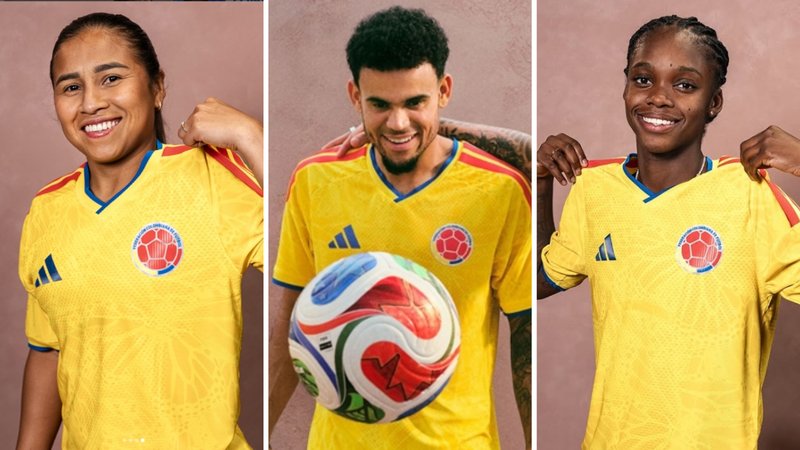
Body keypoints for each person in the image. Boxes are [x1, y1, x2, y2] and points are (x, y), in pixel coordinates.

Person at [270, 6, 531, 449]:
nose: (397, 123)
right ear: (355, 96)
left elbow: (526, 343)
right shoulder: (316, 179)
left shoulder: (499, 189)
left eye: (415, 102)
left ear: (443, 91)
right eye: (379, 104)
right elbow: (288, 333)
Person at [538, 15, 800, 448]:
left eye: (684, 85)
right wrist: (543, 182)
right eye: (643, 79)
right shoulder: (594, 189)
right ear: (625, 86)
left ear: (714, 102)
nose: (658, 97)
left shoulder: (751, 195)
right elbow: (537, 281)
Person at [16, 12, 263, 449]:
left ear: (157, 87)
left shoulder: (213, 177)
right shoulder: (47, 210)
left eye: (110, 78)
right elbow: (49, 350)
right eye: (71, 87)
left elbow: (310, 262)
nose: (91, 102)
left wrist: (251, 135)